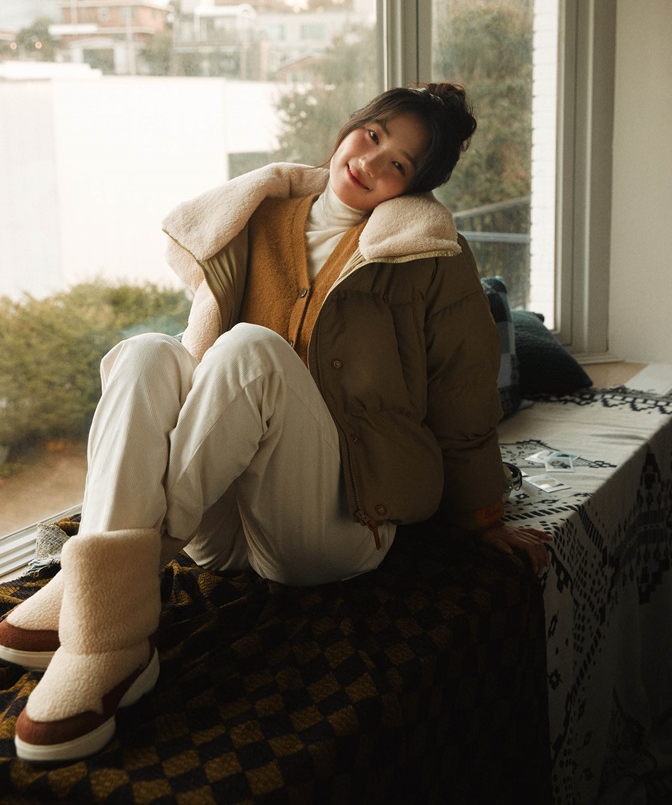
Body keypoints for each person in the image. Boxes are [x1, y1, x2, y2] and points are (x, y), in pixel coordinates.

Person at [0, 81, 550, 764]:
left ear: (414, 187)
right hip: (218, 525)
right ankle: (114, 605)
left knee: (250, 349)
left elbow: (462, 392)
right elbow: (196, 363)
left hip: (334, 526)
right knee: (146, 354)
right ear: (352, 127)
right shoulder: (258, 218)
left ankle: (101, 619)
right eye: (373, 136)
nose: (371, 162)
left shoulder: (430, 256)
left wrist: (483, 518)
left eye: (399, 164)